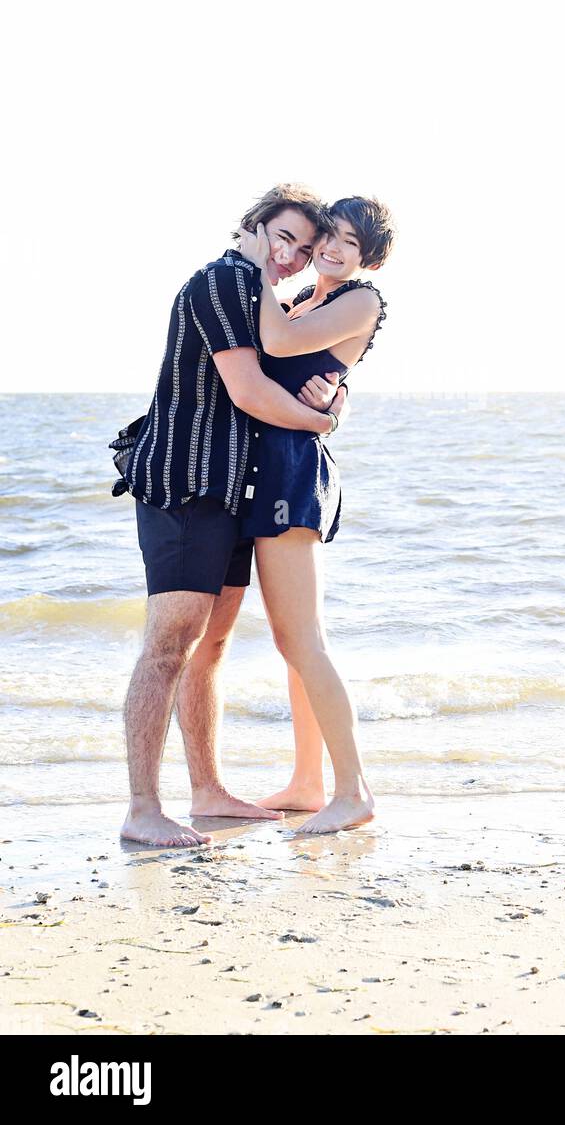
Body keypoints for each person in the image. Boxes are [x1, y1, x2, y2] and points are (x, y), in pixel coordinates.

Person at [119, 183, 346, 848]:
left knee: (209, 647)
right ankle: (142, 807)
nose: (292, 257)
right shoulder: (224, 279)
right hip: (184, 482)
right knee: (170, 640)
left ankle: (208, 789)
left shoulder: (270, 300)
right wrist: (323, 419)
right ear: (253, 227)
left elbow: (299, 373)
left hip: (234, 492)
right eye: (284, 239)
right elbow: (248, 391)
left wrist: (332, 399)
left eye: (305, 250)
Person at [235, 195, 394, 835]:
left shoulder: (361, 301)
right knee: (288, 641)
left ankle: (353, 790)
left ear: (369, 259)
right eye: (330, 235)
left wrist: (253, 265)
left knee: (305, 640)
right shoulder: (304, 299)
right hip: (271, 462)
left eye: (351, 243)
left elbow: (275, 342)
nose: (332, 248)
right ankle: (307, 782)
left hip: (293, 468)